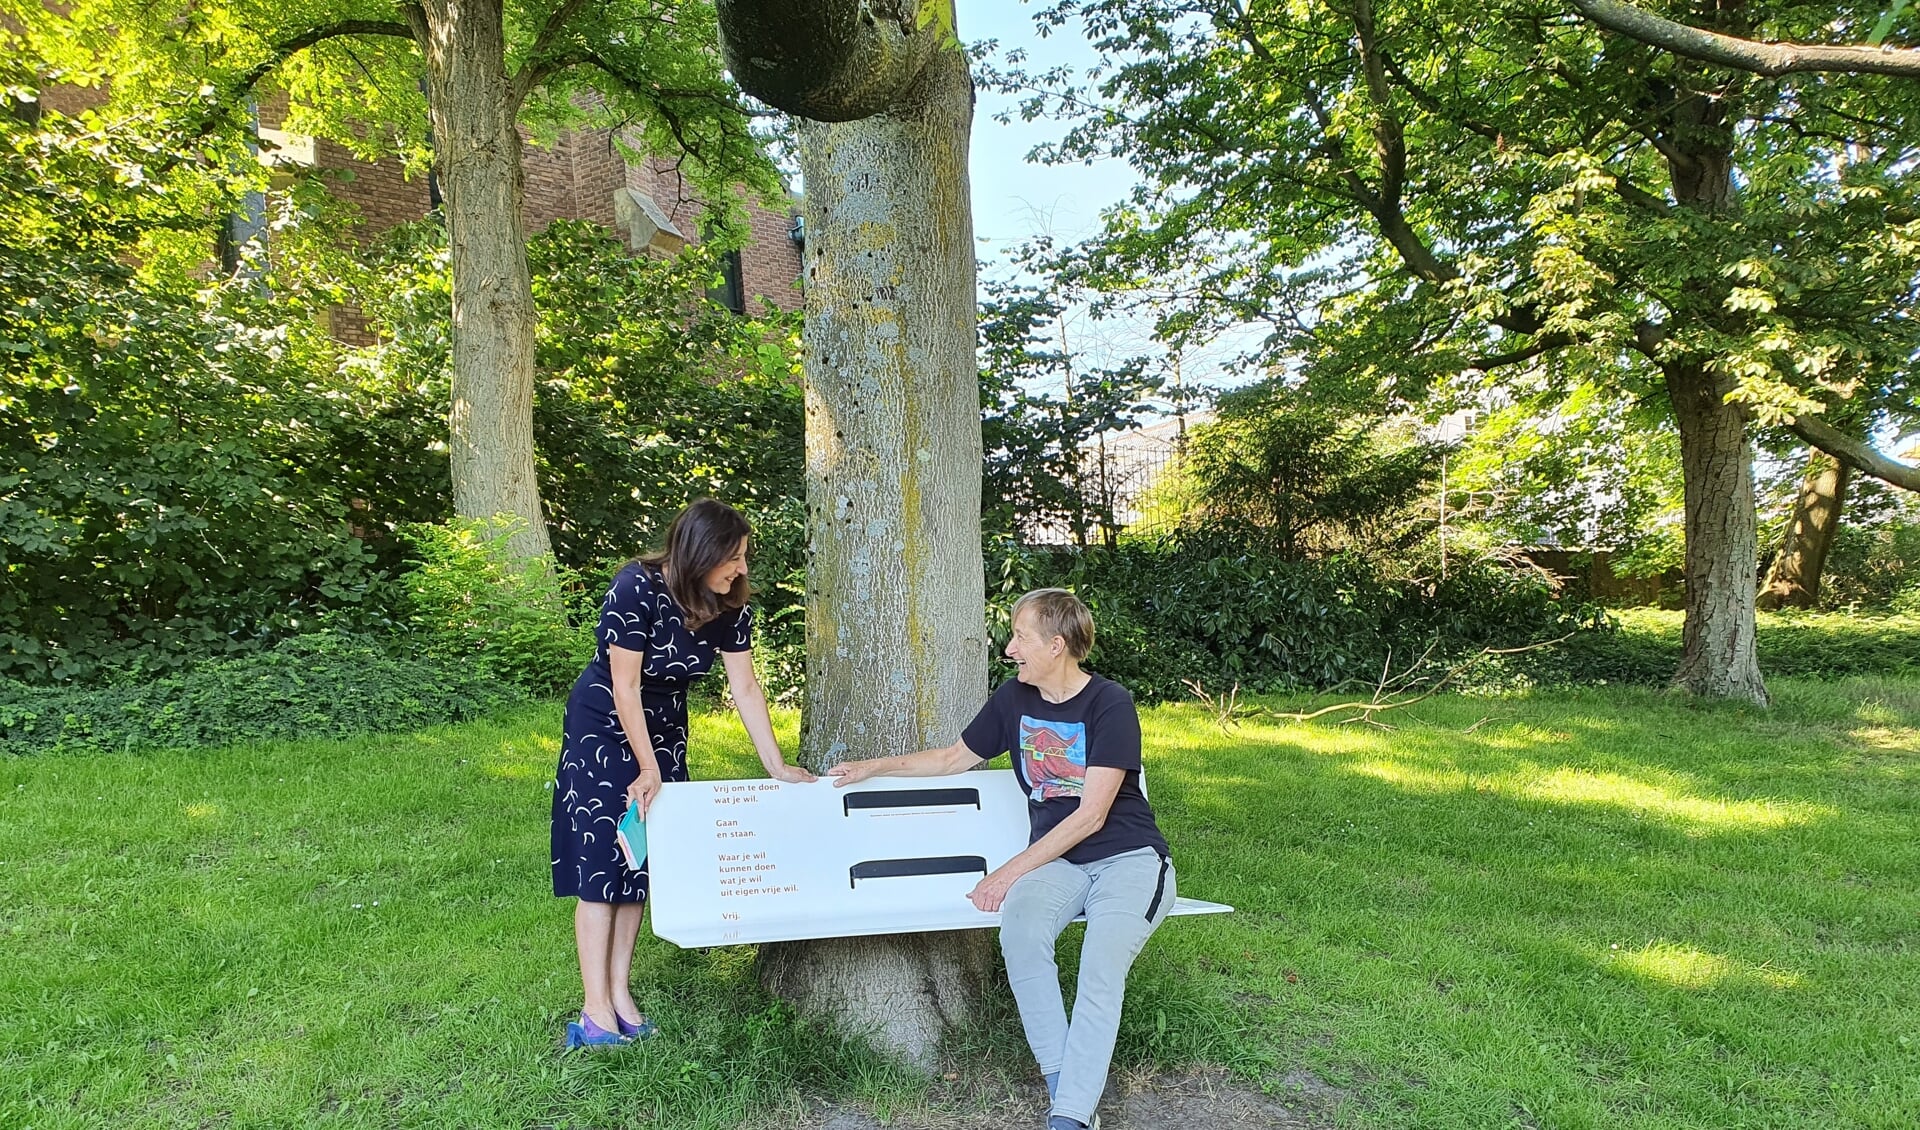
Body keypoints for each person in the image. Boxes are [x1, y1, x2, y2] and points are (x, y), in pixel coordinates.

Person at [829, 588, 1172, 1130]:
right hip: (1058, 864)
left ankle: (1071, 1117)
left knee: (1099, 970)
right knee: (1020, 937)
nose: (1011, 648)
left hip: (1128, 858)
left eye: (1021, 637)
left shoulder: (1110, 704)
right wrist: (873, 766)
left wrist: (1009, 872)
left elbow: (1090, 817)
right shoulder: (1014, 699)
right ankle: (1065, 1083)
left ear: (1056, 646)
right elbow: (951, 758)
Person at [551, 499, 814, 1049]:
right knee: (604, 859)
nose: (741, 568)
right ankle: (594, 1011)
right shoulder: (636, 587)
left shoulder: (728, 603)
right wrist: (647, 768)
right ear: (701, 552)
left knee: (640, 858)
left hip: (665, 728)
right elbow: (624, 686)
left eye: (743, 557)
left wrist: (776, 766)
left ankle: (621, 993)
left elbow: (744, 686)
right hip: (605, 724)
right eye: (733, 557)